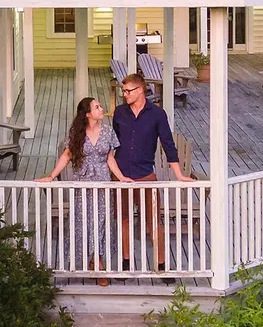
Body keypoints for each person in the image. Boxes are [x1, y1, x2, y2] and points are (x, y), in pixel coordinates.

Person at [37, 97, 132, 286]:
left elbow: (110, 158)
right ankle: (87, 261)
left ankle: (99, 264)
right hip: (83, 184)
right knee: (83, 222)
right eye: (97, 107)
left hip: (103, 183)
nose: (101, 108)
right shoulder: (76, 133)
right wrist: (52, 175)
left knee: (102, 223)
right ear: (88, 114)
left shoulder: (108, 131)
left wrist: (121, 178)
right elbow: (67, 155)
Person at [112, 72, 190, 275]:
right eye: (123, 91)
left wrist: (179, 175)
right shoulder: (120, 113)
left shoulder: (157, 114)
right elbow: (114, 143)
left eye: (128, 91)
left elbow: (168, 144)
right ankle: (126, 263)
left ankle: (162, 265)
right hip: (121, 176)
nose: (125, 94)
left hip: (145, 175)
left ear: (140, 90)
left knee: (154, 220)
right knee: (124, 219)